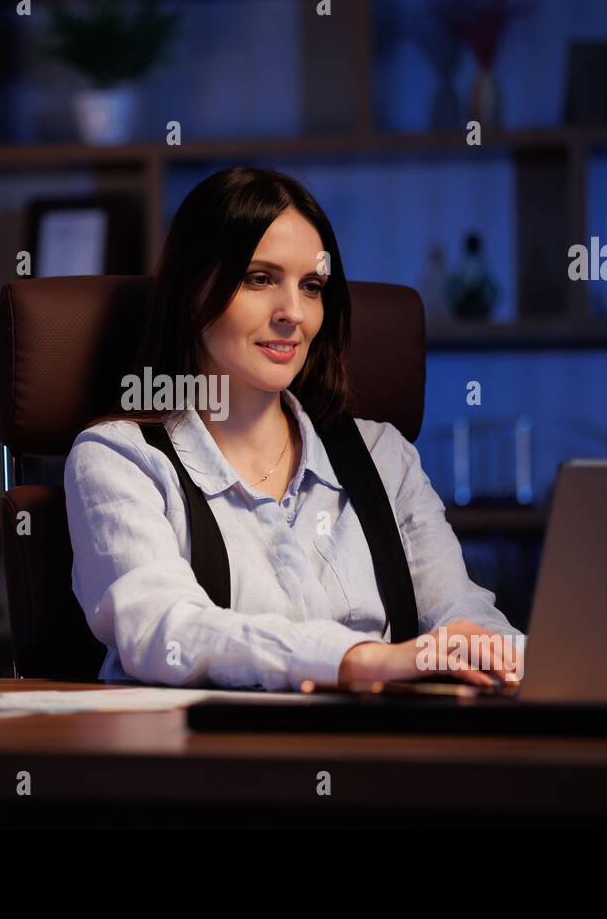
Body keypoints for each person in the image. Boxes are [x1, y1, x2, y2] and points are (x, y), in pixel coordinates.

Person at [63, 166, 522, 691]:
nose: (293, 314)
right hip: (204, 761)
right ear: (194, 289)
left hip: (383, 754)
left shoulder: (383, 455)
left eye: (312, 287)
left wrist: (514, 656)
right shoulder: (119, 458)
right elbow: (164, 627)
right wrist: (362, 660)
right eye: (260, 279)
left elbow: (460, 612)